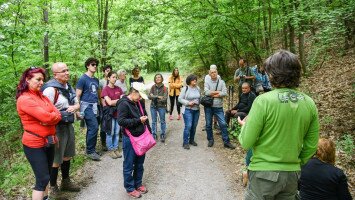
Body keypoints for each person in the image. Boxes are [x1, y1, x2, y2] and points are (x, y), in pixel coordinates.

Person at [238, 50, 319, 199]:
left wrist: (244, 125)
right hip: (292, 176)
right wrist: (296, 162)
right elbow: (311, 145)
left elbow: (246, 142)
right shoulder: (309, 103)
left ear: (273, 74)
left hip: (263, 173)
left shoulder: (263, 101)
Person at [16, 66, 61, 200]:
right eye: (38, 79)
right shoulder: (25, 99)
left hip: (49, 140)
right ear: (28, 80)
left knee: (46, 175)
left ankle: (45, 198)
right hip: (34, 143)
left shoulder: (42, 96)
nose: (42, 82)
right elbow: (48, 117)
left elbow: (57, 114)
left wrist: (50, 119)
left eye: (43, 79)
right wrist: (49, 118)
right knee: (42, 179)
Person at [42, 63, 81, 198]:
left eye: (67, 70)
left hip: (68, 124)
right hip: (56, 128)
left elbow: (77, 103)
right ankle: (53, 186)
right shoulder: (50, 90)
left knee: (67, 155)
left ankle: (66, 181)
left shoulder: (68, 87)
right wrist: (60, 113)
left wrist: (74, 108)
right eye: (63, 71)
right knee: (56, 158)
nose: (67, 73)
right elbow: (45, 111)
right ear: (55, 75)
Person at [117, 82, 151, 198]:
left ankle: (138, 183)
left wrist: (149, 132)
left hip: (141, 137)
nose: (141, 98)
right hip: (130, 139)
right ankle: (130, 188)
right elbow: (121, 121)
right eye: (139, 95)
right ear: (133, 92)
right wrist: (138, 120)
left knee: (140, 163)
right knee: (129, 164)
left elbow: (145, 117)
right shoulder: (123, 104)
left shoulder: (139, 102)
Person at [76, 57, 101, 161]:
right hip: (86, 106)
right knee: (94, 127)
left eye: (96, 65)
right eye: (92, 64)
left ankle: (91, 149)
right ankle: (90, 151)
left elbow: (97, 93)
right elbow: (77, 95)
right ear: (87, 65)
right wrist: (77, 110)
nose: (95, 66)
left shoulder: (96, 79)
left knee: (93, 128)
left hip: (95, 106)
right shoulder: (83, 79)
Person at [204, 68, 235, 149]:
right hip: (208, 107)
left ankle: (226, 142)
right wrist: (218, 92)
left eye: (215, 72)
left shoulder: (221, 82)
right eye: (212, 72)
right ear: (209, 74)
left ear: (217, 73)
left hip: (218, 107)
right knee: (208, 124)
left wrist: (212, 94)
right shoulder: (207, 82)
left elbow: (224, 93)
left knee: (223, 124)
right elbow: (206, 92)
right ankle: (210, 140)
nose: (213, 74)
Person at [101, 71, 124, 159]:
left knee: (117, 132)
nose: (115, 79)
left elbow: (123, 100)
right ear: (108, 78)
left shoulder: (118, 89)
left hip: (118, 113)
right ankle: (111, 149)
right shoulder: (105, 89)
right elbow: (109, 102)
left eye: (115, 77)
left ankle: (115, 148)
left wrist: (116, 101)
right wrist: (118, 100)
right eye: (113, 77)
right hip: (109, 114)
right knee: (110, 132)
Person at [178, 74, 201, 150]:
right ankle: (185, 142)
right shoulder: (185, 88)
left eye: (195, 79)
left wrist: (198, 102)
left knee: (194, 126)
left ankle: (191, 140)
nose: (195, 80)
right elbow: (180, 99)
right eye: (193, 79)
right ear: (189, 81)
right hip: (187, 110)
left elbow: (199, 97)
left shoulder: (198, 88)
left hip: (196, 110)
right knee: (188, 126)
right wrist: (188, 103)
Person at [148, 74, 168, 142]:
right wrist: (158, 97)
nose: (158, 78)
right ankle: (154, 134)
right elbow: (149, 97)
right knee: (154, 121)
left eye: (159, 77)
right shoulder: (153, 87)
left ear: (161, 78)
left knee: (162, 121)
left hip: (161, 106)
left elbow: (164, 99)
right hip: (153, 106)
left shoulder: (165, 88)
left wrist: (153, 96)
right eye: (156, 77)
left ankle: (163, 134)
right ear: (155, 79)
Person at [98, 64, 113, 151]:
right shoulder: (101, 82)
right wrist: (103, 105)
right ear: (104, 72)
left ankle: (111, 141)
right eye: (107, 70)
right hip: (104, 106)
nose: (108, 72)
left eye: (109, 70)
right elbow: (100, 94)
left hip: (112, 105)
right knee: (104, 124)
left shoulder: (113, 80)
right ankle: (104, 143)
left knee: (112, 123)